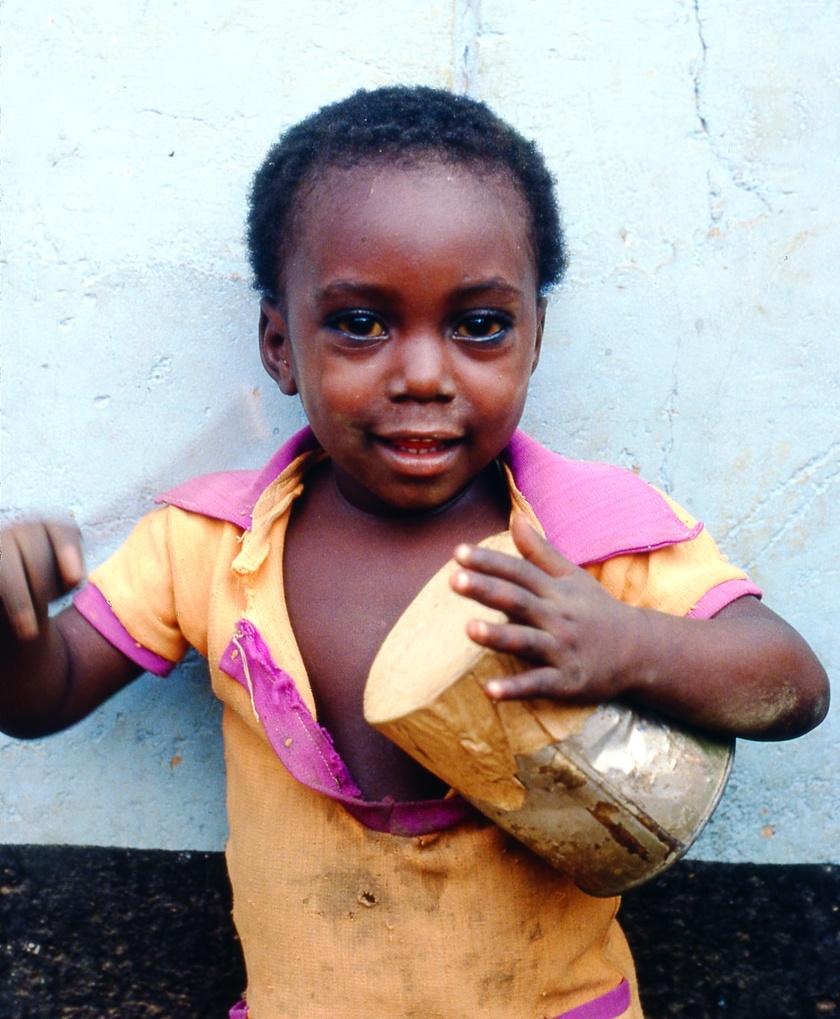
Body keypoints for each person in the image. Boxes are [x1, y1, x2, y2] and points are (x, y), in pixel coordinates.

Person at [0, 85, 829, 1019]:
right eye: (360, 324)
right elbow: (46, 694)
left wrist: (625, 643)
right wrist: (15, 621)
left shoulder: (589, 539)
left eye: (480, 325)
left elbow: (792, 685)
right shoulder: (209, 543)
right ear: (280, 343)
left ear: (534, 338)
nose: (425, 374)